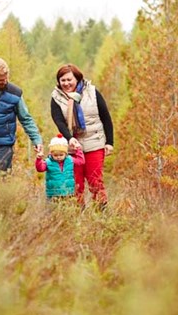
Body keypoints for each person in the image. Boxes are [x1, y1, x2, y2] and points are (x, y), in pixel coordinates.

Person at [50, 63, 114, 208]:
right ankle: (78, 213)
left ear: (77, 79)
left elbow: (106, 117)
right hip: (72, 144)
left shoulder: (92, 92)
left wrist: (109, 142)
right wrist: (70, 138)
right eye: (63, 80)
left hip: (95, 141)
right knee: (75, 181)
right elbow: (59, 121)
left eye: (69, 80)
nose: (66, 83)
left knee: (95, 179)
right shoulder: (56, 97)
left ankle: (100, 211)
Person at [36, 133, 85, 200]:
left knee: (67, 208)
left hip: (68, 193)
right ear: (51, 153)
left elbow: (81, 161)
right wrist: (39, 159)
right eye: (55, 155)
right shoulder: (48, 162)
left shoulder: (70, 160)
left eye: (61, 155)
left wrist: (78, 150)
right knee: (54, 209)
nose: (58, 157)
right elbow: (40, 168)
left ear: (66, 153)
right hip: (53, 194)